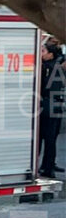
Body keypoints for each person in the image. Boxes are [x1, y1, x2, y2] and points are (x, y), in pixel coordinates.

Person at [39, 40, 66, 177]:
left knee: (44, 139)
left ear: (50, 54)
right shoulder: (58, 66)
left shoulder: (47, 67)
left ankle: (46, 167)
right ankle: (48, 166)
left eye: (43, 51)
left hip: (47, 106)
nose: (41, 53)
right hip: (56, 106)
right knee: (51, 139)